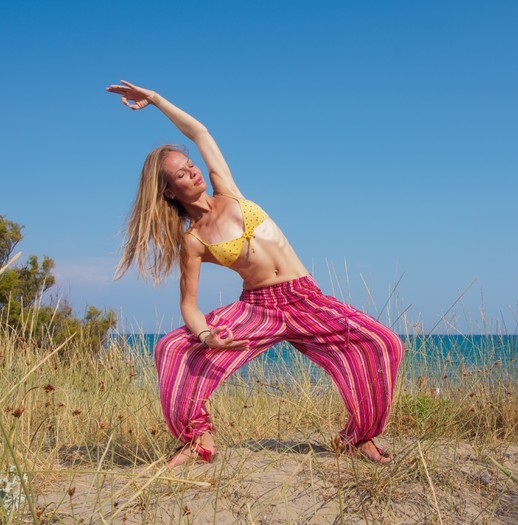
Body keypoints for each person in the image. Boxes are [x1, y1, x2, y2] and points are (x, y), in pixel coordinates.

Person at [106, 80, 404, 467]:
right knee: (172, 348)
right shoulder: (193, 241)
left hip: (305, 298)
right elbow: (189, 305)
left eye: (191, 165)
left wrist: (156, 100)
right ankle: (197, 439)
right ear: (168, 192)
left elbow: (200, 132)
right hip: (258, 309)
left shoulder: (227, 190)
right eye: (181, 174)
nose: (193, 173)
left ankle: (358, 437)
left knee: (383, 343)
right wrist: (208, 336)